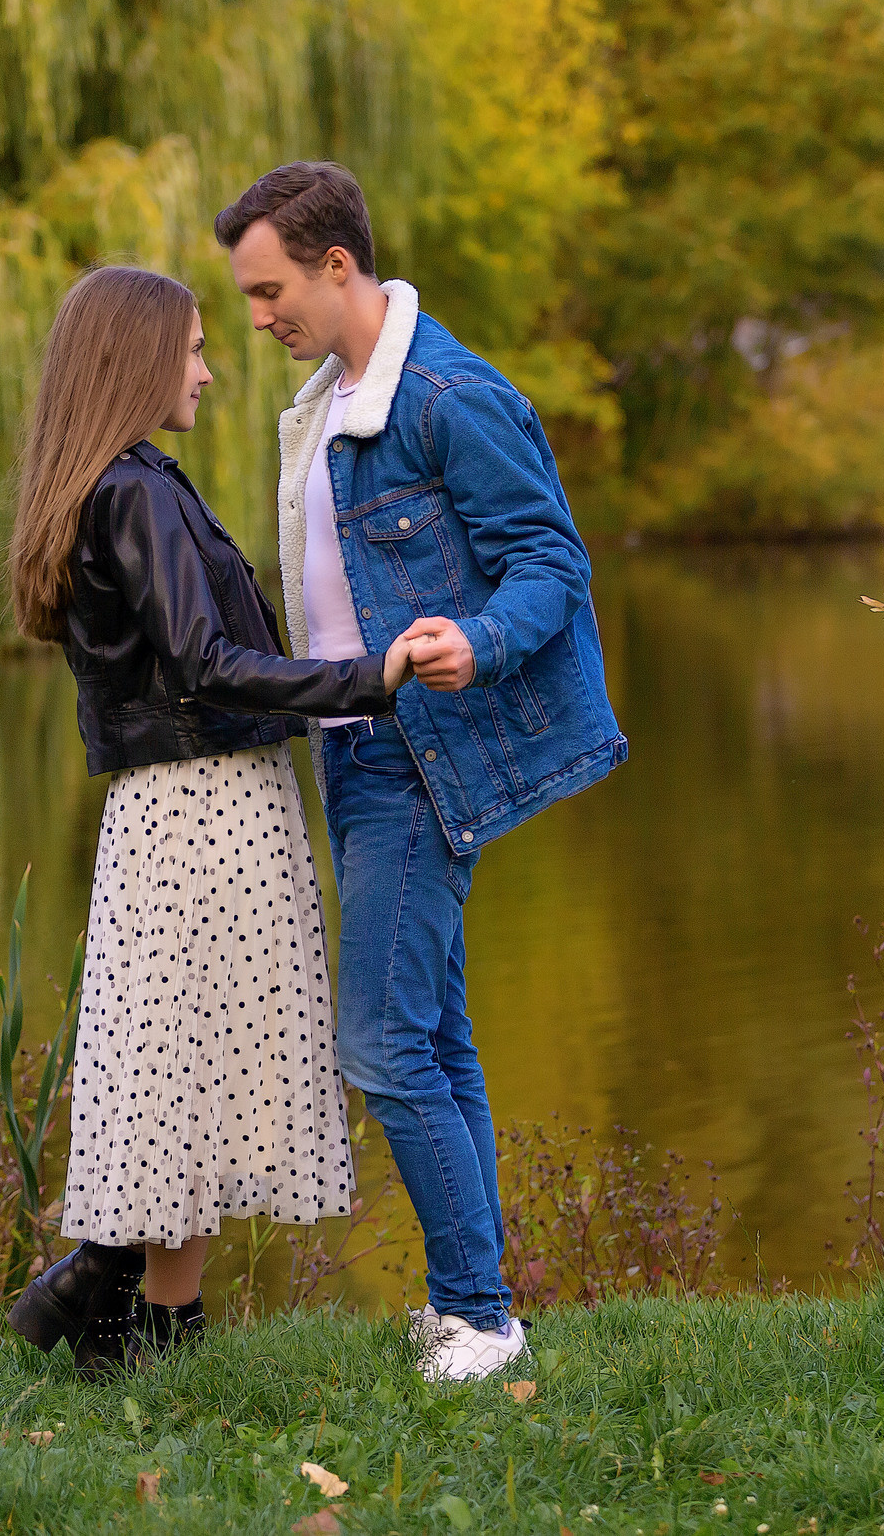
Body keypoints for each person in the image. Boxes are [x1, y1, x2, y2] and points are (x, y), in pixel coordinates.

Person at [215, 161, 628, 1382]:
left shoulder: (446, 395)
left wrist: (479, 640)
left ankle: (484, 1320)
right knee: (434, 1034)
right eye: (244, 297)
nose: (257, 319)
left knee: (386, 1043)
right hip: (354, 748)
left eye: (269, 288)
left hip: (417, 750)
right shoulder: (329, 400)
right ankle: (474, 1307)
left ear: (337, 266)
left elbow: (551, 563)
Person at [1, 263, 418, 1378]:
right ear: (136, 360)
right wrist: (366, 681)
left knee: (190, 1068)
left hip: (188, 802)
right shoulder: (133, 493)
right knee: (184, 1066)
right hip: (204, 808)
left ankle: (149, 1328)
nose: (208, 364)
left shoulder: (127, 481)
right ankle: (99, 1286)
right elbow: (208, 665)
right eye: (190, 347)